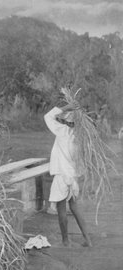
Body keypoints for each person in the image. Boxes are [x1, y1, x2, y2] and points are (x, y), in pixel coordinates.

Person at [44, 103, 92, 247]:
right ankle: (87, 239)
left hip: (61, 176)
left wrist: (66, 107)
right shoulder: (81, 137)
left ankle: (65, 241)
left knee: (61, 208)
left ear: (66, 121)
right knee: (75, 207)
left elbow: (48, 116)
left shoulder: (61, 131)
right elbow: (82, 162)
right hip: (73, 177)